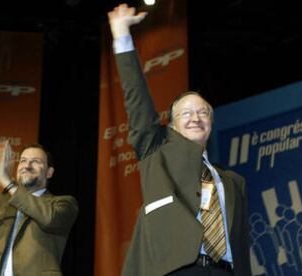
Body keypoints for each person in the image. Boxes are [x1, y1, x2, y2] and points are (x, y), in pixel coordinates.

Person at [107, 4, 251, 276]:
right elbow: (136, 98)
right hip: (177, 269)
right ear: (171, 125)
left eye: (203, 112)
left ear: (211, 122)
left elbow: (242, 243)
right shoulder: (157, 149)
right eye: (186, 113)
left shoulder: (233, 182)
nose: (196, 117)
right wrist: (121, 35)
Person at [0, 141, 79, 276]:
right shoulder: (0, 202)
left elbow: (50, 220)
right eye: (23, 161)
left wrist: (6, 182)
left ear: (49, 172)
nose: (27, 165)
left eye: (35, 161)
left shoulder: (63, 204)